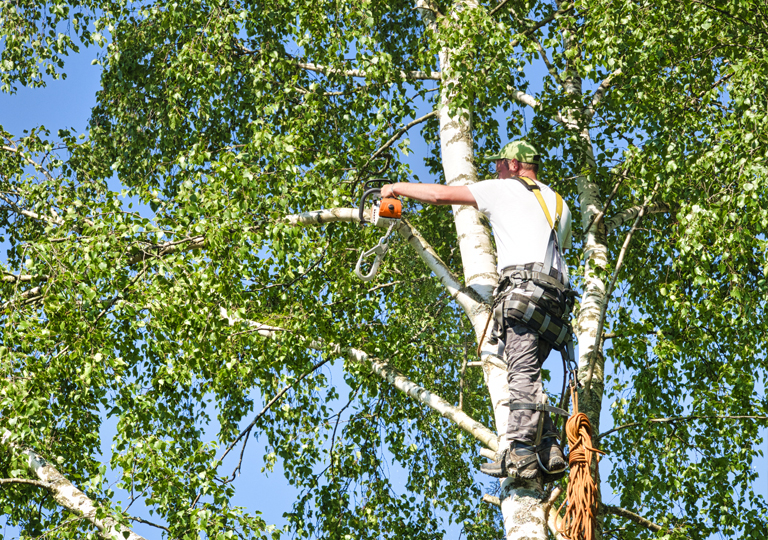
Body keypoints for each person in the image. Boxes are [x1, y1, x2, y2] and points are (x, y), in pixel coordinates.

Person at [381, 140, 572, 481]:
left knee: (521, 375)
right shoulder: (559, 203)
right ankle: (549, 446)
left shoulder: (504, 189)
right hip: (555, 305)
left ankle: (521, 454)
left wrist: (396, 188)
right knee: (527, 374)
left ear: (515, 165)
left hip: (523, 298)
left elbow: (441, 196)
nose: (495, 169)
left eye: (500, 164)